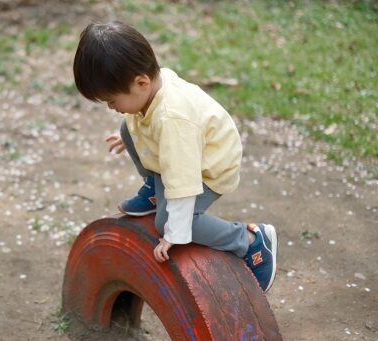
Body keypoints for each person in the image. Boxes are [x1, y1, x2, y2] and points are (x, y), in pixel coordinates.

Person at [73, 21, 278, 292]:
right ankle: (153, 188)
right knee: (127, 126)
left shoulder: (173, 119)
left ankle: (249, 240)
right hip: (183, 152)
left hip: (207, 169)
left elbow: (183, 181)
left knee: (168, 220)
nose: (111, 107)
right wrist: (128, 137)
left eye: (112, 100)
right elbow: (147, 127)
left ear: (142, 82)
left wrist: (174, 234)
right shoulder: (153, 85)